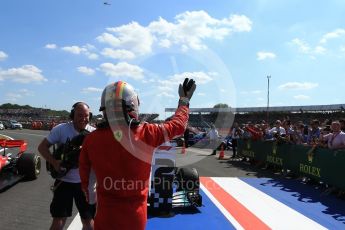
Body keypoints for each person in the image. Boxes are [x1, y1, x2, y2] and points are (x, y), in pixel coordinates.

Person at [79, 78, 196, 230]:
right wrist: (184, 101)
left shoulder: (91, 140)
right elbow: (179, 125)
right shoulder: (148, 133)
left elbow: (88, 185)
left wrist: (93, 201)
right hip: (135, 217)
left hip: (106, 215)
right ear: (133, 105)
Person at [38, 102, 96, 230]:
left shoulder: (94, 133)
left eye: (86, 116)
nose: (83, 118)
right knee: (59, 219)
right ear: (72, 115)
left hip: (85, 183)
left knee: (88, 220)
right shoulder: (61, 129)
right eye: (80, 115)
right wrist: (54, 162)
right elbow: (42, 147)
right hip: (63, 182)